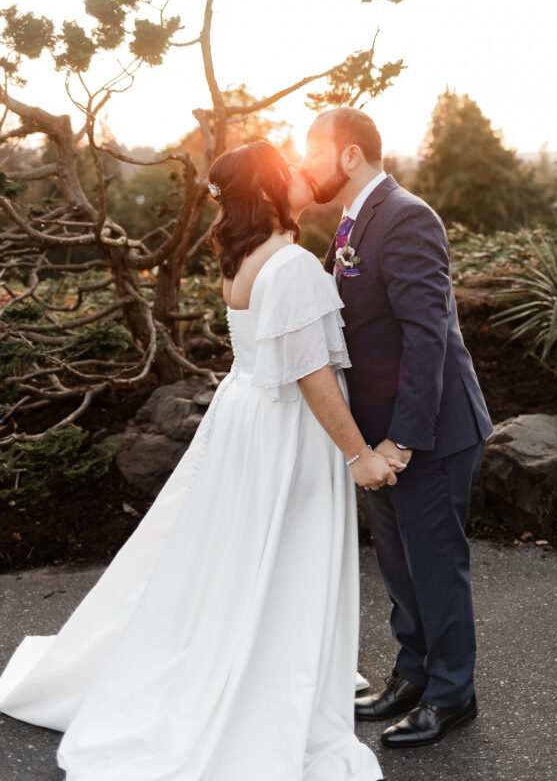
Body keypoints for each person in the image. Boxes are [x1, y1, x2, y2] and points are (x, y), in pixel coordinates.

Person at [0, 139, 398, 781]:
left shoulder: (240, 257)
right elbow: (310, 372)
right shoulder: (291, 263)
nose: (302, 175)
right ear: (269, 191)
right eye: (290, 171)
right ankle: (263, 675)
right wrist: (357, 455)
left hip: (245, 416)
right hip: (285, 428)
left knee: (242, 554)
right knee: (285, 550)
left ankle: (251, 655)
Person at [300, 107, 494, 750]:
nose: (306, 165)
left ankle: (451, 695)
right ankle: (412, 675)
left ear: (349, 155)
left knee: (434, 565)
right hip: (376, 435)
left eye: (313, 153)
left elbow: (426, 338)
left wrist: (404, 440)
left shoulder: (408, 217)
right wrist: (365, 440)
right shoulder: (353, 221)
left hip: (427, 432)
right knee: (399, 566)